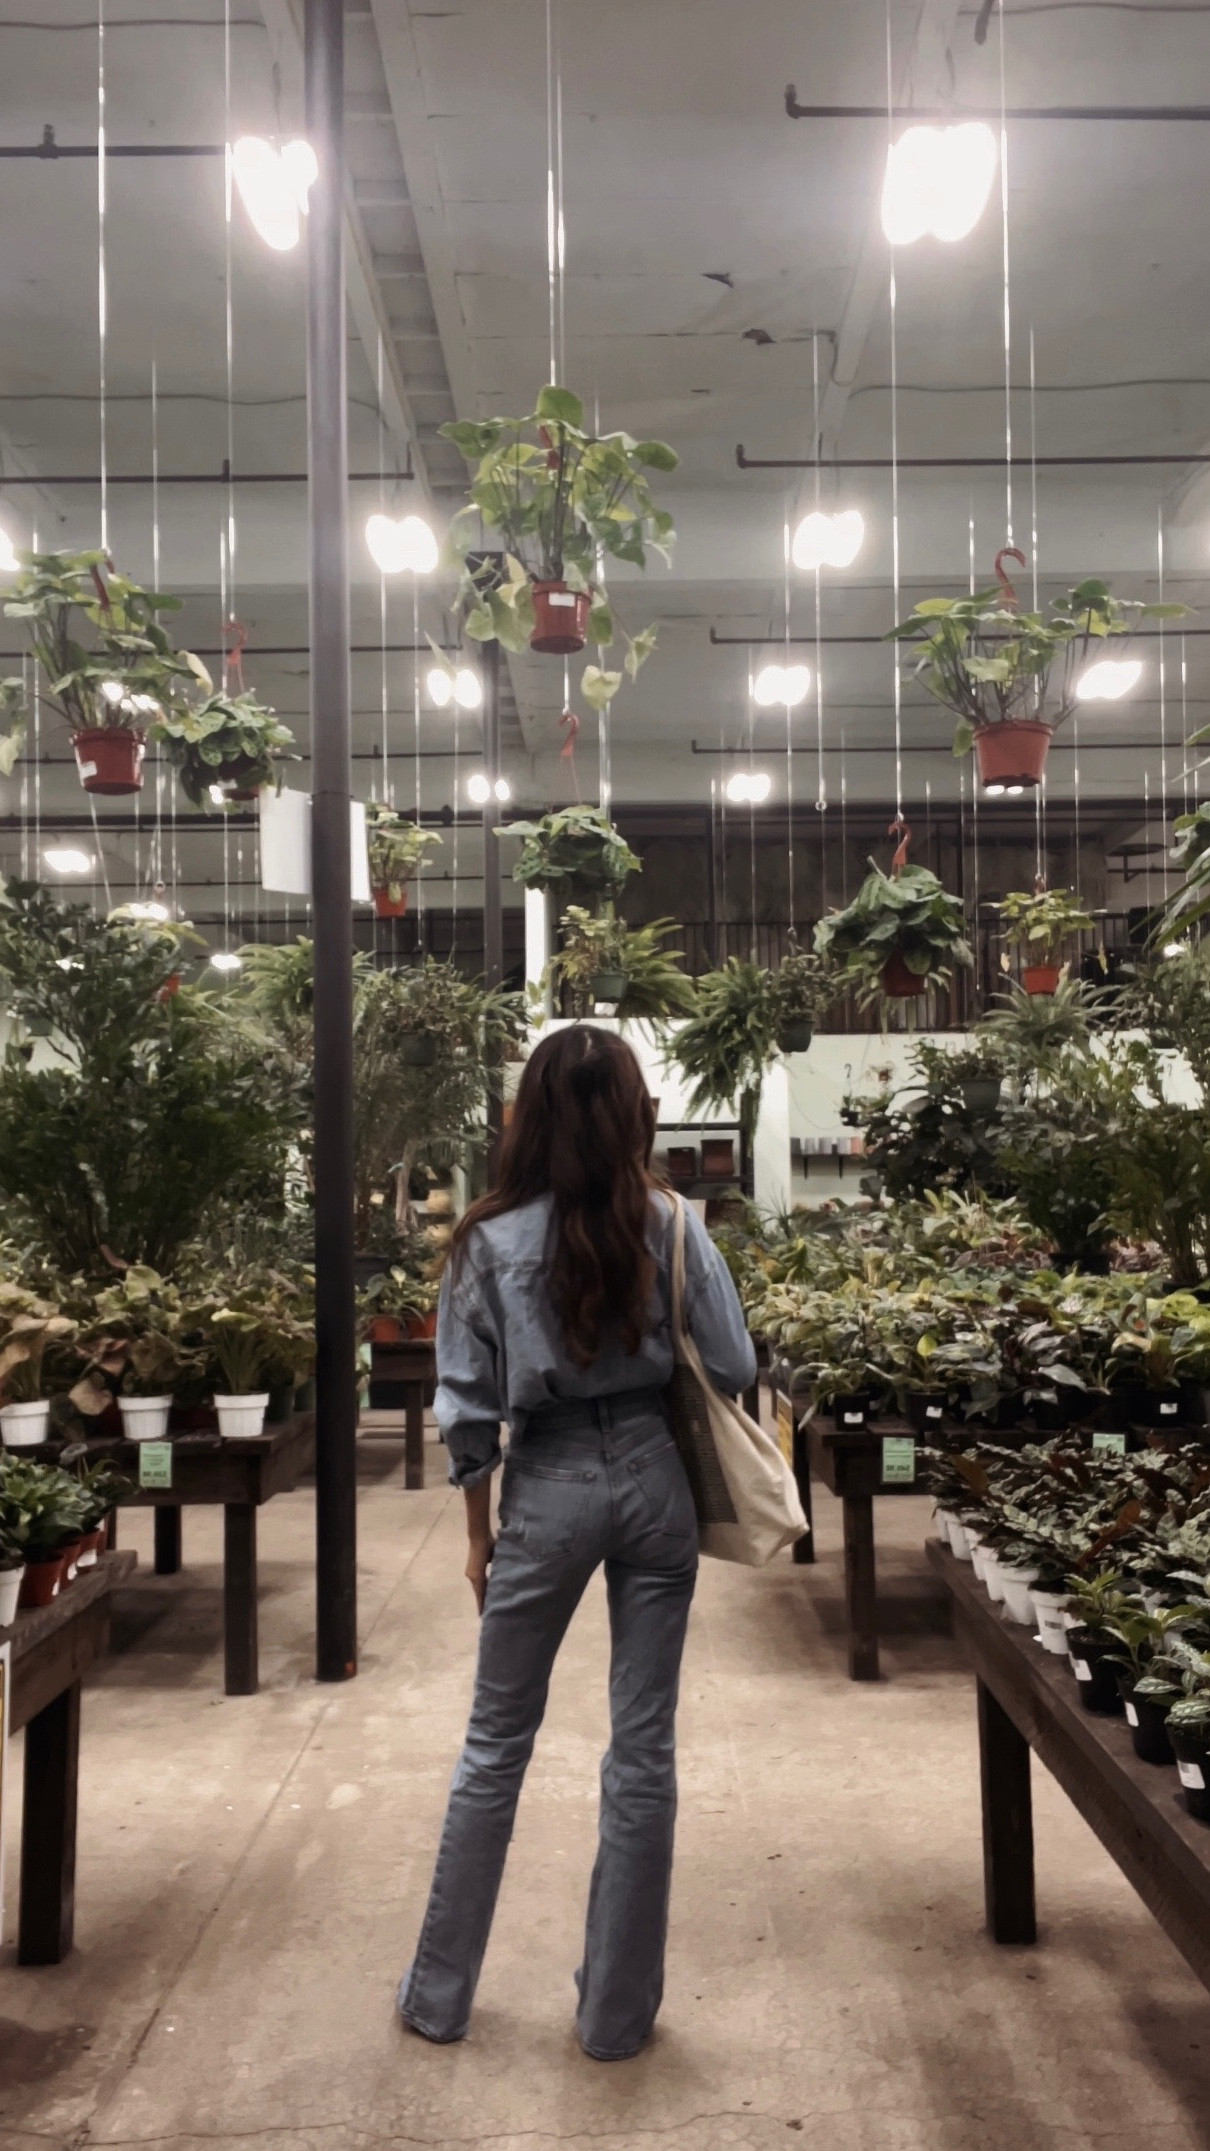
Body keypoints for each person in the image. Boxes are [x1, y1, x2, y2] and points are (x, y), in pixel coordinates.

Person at [397, 1024, 756, 2061]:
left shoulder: (485, 1240)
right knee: (642, 1749)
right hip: (652, 1478)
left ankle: (439, 1998)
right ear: (633, 1113)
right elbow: (730, 1364)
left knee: (494, 1746)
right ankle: (613, 2019)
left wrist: (479, 1539)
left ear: (529, 1117)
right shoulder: (673, 1222)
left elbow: (465, 1414)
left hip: (545, 1483)